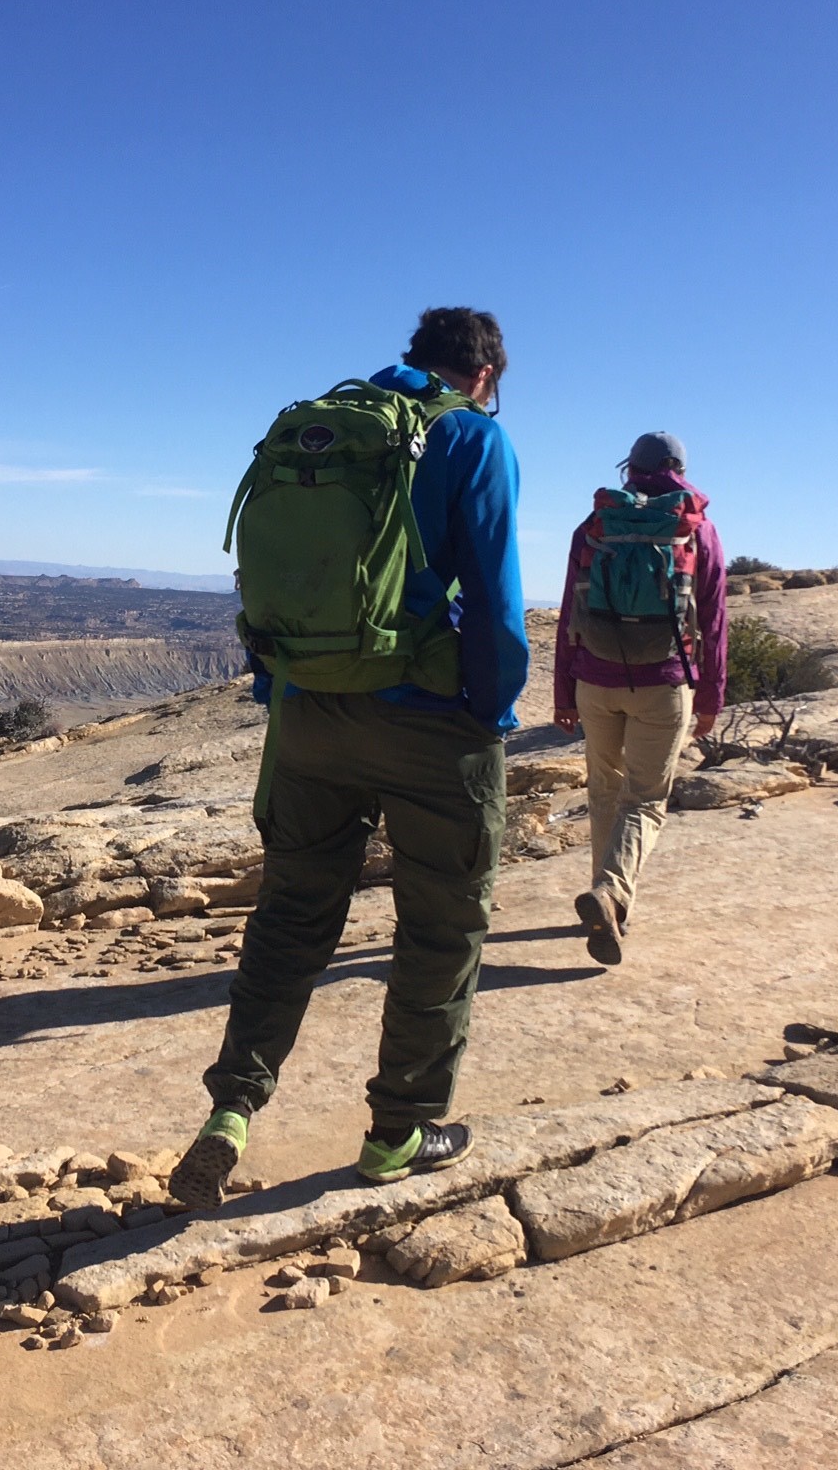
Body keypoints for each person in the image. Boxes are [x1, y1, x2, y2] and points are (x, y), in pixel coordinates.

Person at [172, 307, 529, 1207]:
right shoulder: (471, 436)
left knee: (293, 916)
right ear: (486, 373)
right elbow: (495, 600)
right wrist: (488, 712)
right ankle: (399, 1131)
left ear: (411, 356)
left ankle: (232, 1111)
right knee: (441, 927)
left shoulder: (319, 425)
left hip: (307, 715)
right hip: (426, 723)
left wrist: (282, 689)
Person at [554, 431, 726, 965]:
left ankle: (608, 906)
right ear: (679, 468)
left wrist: (563, 691)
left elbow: (568, 614)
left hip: (595, 681)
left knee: (605, 788)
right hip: (663, 681)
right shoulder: (694, 528)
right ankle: (610, 894)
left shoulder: (596, 525)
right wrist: (711, 697)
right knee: (646, 799)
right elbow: (714, 620)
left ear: (632, 467)